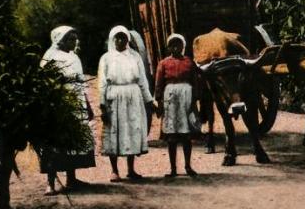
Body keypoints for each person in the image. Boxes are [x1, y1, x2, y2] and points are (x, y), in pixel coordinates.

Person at [40, 26, 96, 195]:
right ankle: (50, 182)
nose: (74, 42)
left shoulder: (75, 58)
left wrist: (87, 104)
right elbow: (45, 84)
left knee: (74, 139)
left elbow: (81, 83)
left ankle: (71, 178)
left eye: (74, 39)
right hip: (59, 103)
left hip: (76, 101)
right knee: (55, 142)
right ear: (61, 40)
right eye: (71, 39)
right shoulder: (49, 58)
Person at [98, 25, 153, 181]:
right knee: (114, 130)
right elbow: (102, 82)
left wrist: (149, 100)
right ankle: (114, 170)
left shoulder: (135, 56)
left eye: (123, 37)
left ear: (127, 39)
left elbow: (142, 79)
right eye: (117, 37)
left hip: (133, 96)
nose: (120, 40)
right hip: (114, 96)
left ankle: (131, 169)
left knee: (131, 130)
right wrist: (102, 103)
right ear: (112, 39)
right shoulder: (106, 58)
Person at [154, 33, 201, 178]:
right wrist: (159, 101)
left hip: (186, 99)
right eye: (172, 45)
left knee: (186, 136)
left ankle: (188, 166)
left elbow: (195, 82)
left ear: (183, 46)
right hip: (171, 100)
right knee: (172, 137)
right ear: (168, 47)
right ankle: (173, 168)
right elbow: (158, 84)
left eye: (178, 45)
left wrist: (194, 101)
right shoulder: (163, 63)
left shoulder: (189, 62)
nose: (175, 47)